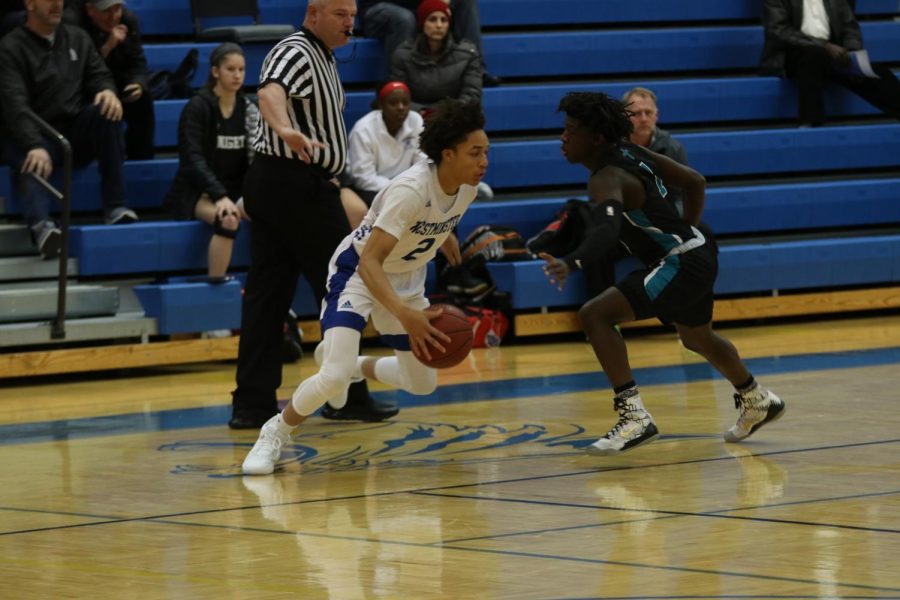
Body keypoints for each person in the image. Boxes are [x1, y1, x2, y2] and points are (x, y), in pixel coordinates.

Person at [242, 98, 489, 475]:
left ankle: (356, 363)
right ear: (448, 154)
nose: (484, 161)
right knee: (334, 377)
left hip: (405, 279)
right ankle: (274, 432)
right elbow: (370, 262)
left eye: (486, 151)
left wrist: (446, 232)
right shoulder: (410, 190)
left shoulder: (466, 187)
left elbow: (437, 210)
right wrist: (404, 313)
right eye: (475, 153)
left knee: (422, 383)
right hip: (356, 274)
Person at [539, 92, 785, 456]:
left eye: (571, 130)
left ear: (596, 138)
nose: (563, 138)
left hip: (681, 262)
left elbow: (605, 231)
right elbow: (695, 181)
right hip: (698, 251)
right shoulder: (632, 152)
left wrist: (572, 262)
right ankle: (756, 398)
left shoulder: (607, 177)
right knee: (696, 337)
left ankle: (634, 417)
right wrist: (687, 231)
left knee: (595, 315)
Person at [229, 0, 396, 431]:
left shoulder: (321, 55)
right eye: (340, 14)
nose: (350, 23)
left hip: (286, 184)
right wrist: (285, 129)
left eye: (353, 14)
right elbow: (269, 92)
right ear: (313, 13)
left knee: (268, 294)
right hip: (293, 185)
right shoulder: (296, 49)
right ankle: (347, 397)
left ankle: (251, 403)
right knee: (344, 286)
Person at [0, 0, 137, 260]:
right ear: (29, 4)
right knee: (31, 155)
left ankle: (116, 206)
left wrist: (107, 91)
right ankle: (43, 228)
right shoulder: (10, 47)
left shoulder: (78, 37)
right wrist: (33, 144)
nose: (57, 4)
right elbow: (14, 105)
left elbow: (99, 74)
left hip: (72, 130)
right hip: (34, 131)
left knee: (107, 112)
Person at [163, 43, 258, 281]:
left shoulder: (249, 109)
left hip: (236, 189)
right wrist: (218, 195)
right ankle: (217, 284)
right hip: (197, 192)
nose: (237, 75)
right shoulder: (197, 107)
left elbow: (259, 157)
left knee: (273, 213)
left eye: (241, 69)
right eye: (230, 69)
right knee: (228, 218)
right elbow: (192, 159)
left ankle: (267, 281)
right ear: (215, 71)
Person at [760, 0, 900, 126]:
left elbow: (849, 27)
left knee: (876, 73)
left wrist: (851, 53)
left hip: (831, 53)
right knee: (813, 56)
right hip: (792, 53)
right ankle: (811, 124)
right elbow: (778, 31)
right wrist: (824, 46)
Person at [67, 0, 155, 159]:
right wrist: (107, 46)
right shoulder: (73, 25)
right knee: (106, 106)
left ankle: (142, 160)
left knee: (142, 99)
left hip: (117, 81)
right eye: (106, 11)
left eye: (117, 9)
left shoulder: (128, 20)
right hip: (84, 90)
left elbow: (138, 63)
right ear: (90, 9)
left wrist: (138, 84)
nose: (113, 17)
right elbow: (77, 73)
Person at [341, 80, 426, 228]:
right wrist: (399, 189)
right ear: (381, 105)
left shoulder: (416, 121)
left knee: (437, 204)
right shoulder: (363, 129)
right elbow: (363, 178)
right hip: (369, 189)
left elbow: (422, 163)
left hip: (407, 187)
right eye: (393, 103)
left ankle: (447, 251)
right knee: (393, 208)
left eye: (405, 103)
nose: (401, 107)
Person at [358, 0, 498, 86]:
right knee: (404, 19)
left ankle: (476, 71)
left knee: (464, 1)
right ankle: (399, 83)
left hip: (414, 7)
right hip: (378, 9)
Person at [389, 0, 482, 113]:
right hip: (416, 119)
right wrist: (425, 113)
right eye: (432, 20)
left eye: (444, 20)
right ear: (422, 23)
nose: (439, 25)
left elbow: (471, 96)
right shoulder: (402, 55)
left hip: (453, 119)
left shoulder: (468, 54)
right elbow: (400, 97)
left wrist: (446, 115)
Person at [622, 86, 688, 214]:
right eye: (637, 113)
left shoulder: (673, 148)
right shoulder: (613, 147)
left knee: (704, 231)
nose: (644, 119)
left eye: (648, 112)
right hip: (624, 214)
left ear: (656, 115)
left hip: (663, 216)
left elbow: (679, 197)